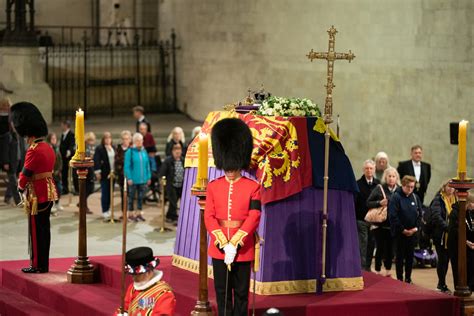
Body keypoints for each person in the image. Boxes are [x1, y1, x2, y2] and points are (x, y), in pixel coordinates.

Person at [204, 118, 261, 316]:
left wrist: (235, 242)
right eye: (227, 167)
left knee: (242, 294)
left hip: (243, 248)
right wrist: (223, 241)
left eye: (232, 167)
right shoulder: (213, 186)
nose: (229, 171)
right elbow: (209, 217)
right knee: (222, 292)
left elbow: (254, 216)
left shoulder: (253, 187)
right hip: (220, 248)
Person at [11, 102, 58, 273]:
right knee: (44, 230)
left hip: (37, 194)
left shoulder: (34, 149)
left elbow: (26, 172)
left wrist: (19, 187)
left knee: (37, 232)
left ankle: (37, 265)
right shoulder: (48, 147)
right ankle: (43, 264)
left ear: (28, 134)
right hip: (49, 192)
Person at [116, 246, 176, 315]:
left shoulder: (164, 294)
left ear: (148, 272)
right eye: (132, 274)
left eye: (136, 274)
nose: (132, 277)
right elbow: (124, 308)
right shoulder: (132, 288)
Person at [367, 167, 400, 277]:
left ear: (396, 178)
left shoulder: (399, 190)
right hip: (380, 225)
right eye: (389, 176)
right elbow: (368, 203)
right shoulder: (379, 188)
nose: (391, 178)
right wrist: (379, 202)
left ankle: (388, 269)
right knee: (380, 248)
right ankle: (377, 269)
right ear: (385, 177)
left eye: (393, 176)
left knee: (390, 249)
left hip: (393, 225)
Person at [389, 175, 421, 284]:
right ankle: (399, 279)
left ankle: (408, 278)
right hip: (400, 233)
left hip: (412, 233)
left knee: (410, 257)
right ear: (403, 185)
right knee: (400, 257)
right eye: (408, 187)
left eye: (412, 187)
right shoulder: (396, 197)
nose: (410, 189)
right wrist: (403, 230)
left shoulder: (415, 198)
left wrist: (415, 229)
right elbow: (393, 216)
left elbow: (420, 215)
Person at [429, 180, 457, 293]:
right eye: (448, 186)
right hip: (441, 235)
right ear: (443, 187)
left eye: (453, 187)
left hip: (453, 236)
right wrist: (449, 228)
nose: (450, 189)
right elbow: (436, 217)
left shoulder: (456, 199)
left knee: (451, 260)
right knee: (443, 260)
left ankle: (448, 285)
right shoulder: (438, 200)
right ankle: (441, 284)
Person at [354, 159, 380, 271]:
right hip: (361, 219)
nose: (369, 170)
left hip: (375, 221)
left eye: (371, 168)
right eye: (367, 168)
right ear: (363, 170)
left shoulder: (378, 185)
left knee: (371, 245)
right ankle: (362, 268)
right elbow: (354, 202)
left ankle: (368, 267)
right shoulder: (357, 184)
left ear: (374, 170)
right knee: (362, 245)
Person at [447, 191, 474, 292]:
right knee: (458, 269)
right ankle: (459, 289)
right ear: (468, 203)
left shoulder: (468, 212)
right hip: (456, 246)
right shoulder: (455, 212)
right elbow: (455, 231)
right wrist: (465, 241)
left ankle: (469, 287)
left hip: (467, 245)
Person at [124, 133, 151, 222]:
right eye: (138, 140)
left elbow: (147, 165)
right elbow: (127, 166)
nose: (140, 142)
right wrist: (129, 178)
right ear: (134, 141)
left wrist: (148, 177)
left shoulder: (144, 151)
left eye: (141, 140)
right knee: (131, 197)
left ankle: (139, 213)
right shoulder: (130, 152)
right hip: (133, 180)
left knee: (140, 197)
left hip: (143, 179)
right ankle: (131, 214)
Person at [159, 142, 184, 224]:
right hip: (171, 185)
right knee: (173, 202)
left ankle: (169, 216)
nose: (177, 151)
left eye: (179, 149)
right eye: (175, 149)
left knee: (177, 202)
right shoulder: (168, 161)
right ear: (172, 151)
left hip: (181, 186)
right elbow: (162, 173)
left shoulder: (184, 160)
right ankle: (173, 218)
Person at [94, 132, 116, 221]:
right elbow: (97, 160)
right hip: (104, 174)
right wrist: (97, 172)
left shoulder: (113, 148)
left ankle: (109, 209)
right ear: (103, 139)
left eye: (109, 138)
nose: (108, 140)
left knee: (111, 192)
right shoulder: (99, 148)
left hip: (113, 174)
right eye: (106, 138)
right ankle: (105, 210)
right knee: (105, 193)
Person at [115, 130, 132, 213]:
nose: (126, 141)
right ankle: (124, 211)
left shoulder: (132, 149)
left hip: (131, 175)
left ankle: (130, 212)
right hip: (122, 175)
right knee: (124, 194)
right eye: (124, 139)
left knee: (131, 195)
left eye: (127, 139)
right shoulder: (118, 149)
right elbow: (117, 162)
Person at [46, 132, 63, 215]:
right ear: (49, 139)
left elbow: (60, 161)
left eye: (55, 139)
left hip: (56, 173)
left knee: (59, 189)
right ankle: (51, 205)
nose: (54, 140)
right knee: (51, 190)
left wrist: (59, 170)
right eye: (53, 139)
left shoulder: (56, 148)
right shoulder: (48, 148)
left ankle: (57, 203)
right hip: (49, 173)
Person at [59, 120, 75, 195]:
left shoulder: (71, 134)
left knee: (71, 173)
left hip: (68, 157)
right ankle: (65, 189)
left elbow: (72, 144)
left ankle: (73, 188)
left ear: (66, 125)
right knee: (64, 173)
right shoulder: (63, 134)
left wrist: (69, 151)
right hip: (63, 157)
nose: (61, 126)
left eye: (62, 125)